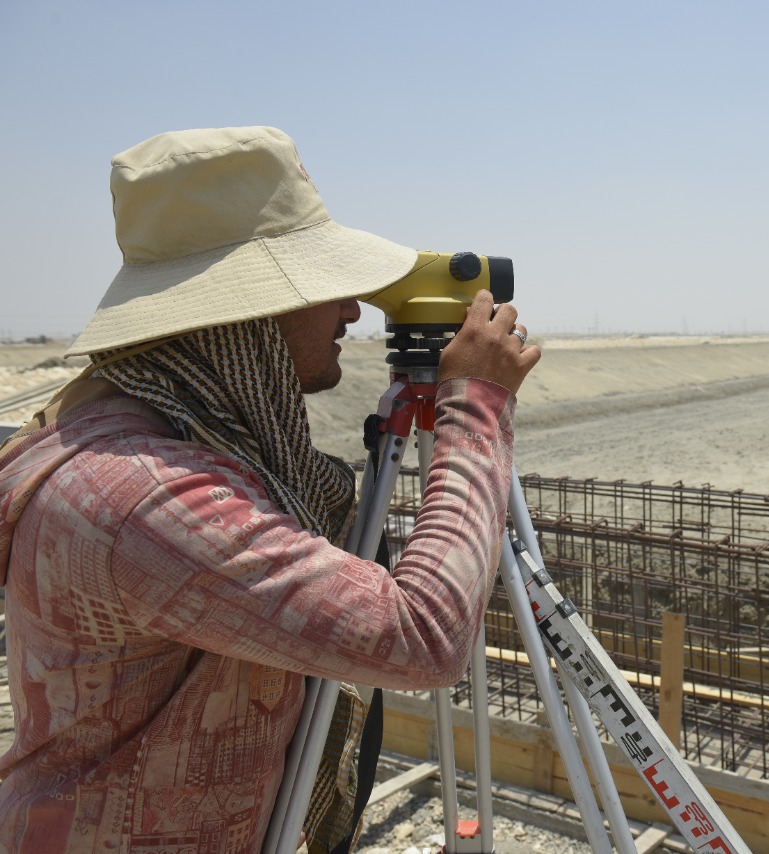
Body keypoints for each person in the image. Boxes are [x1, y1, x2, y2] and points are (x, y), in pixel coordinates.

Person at [0, 126, 540, 852]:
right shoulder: (146, 495)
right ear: (246, 314)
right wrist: (474, 408)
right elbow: (423, 638)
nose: (353, 310)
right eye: (321, 287)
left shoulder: (150, 429)